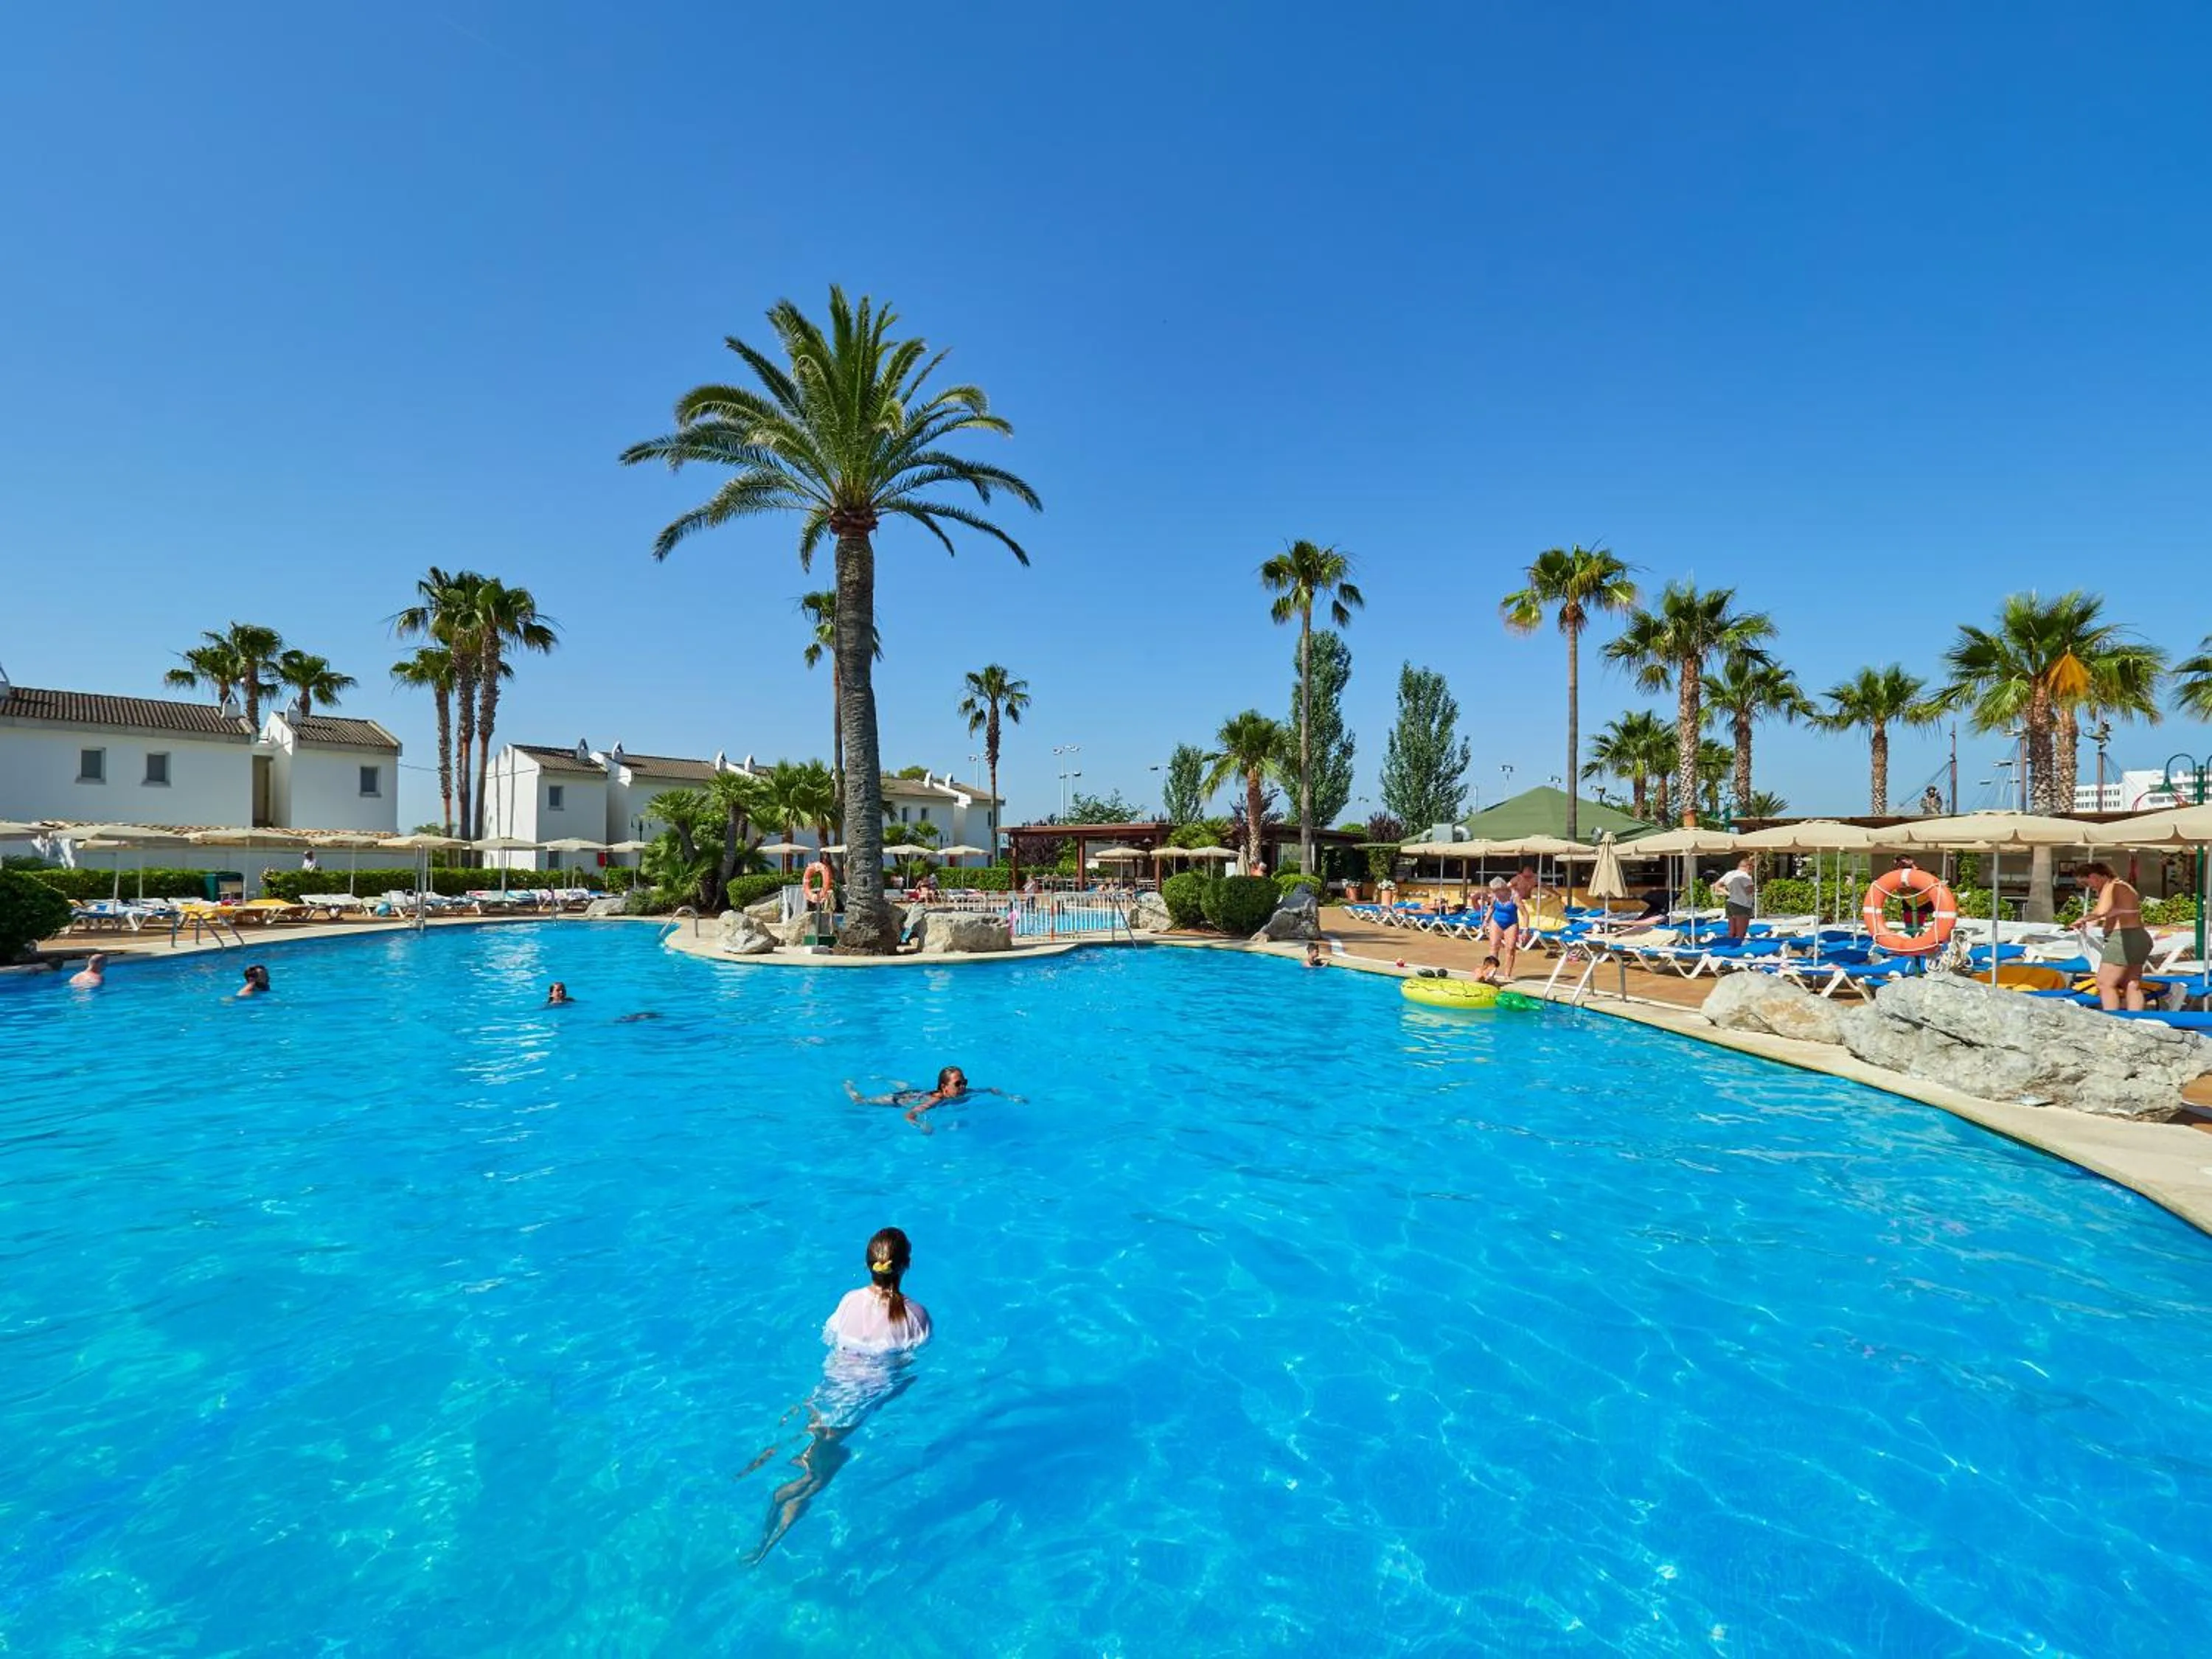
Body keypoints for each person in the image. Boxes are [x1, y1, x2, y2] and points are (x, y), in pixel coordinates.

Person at [750, 1227, 931, 1564]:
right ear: (907, 1265)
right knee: (818, 1477)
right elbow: (907, 1369)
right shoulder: (916, 1317)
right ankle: (773, 1525)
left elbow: (828, 1339)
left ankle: (785, 1484)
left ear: (868, 1265)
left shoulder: (848, 1301)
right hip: (854, 1408)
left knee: (814, 1449)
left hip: (824, 1394)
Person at [2075, 862, 2152, 1012]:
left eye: (2086, 883)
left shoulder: (2112, 886)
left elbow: (2100, 911)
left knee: (2105, 983)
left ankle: (2112, 1021)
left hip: (2124, 938)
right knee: (2132, 983)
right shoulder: (2123, 886)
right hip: (2139, 937)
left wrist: (2081, 920)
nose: (2088, 888)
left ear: (2094, 876)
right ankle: (2136, 1020)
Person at [846, 1065, 1021, 1127]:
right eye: (958, 1084)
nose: (963, 1087)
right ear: (945, 1087)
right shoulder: (937, 1100)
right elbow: (909, 1114)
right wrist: (922, 1125)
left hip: (918, 1093)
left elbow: (992, 1089)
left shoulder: (965, 1092)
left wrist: (1010, 1097)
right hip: (901, 1100)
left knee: (910, 1087)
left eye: (964, 1082)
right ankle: (849, 1086)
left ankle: (884, 1078)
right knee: (860, 1102)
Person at [1484, 876, 1521, 980]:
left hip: (1511, 923)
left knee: (1510, 949)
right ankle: (1491, 973)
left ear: (1503, 888)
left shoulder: (1514, 896)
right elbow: (1491, 908)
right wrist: (1485, 921)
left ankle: (1507, 975)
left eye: (1496, 890)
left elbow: (1525, 913)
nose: (1495, 892)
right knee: (1494, 946)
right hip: (1496, 922)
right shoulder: (1495, 896)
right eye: (1494, 891)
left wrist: (1526, 929)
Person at [1717, 853, 1756, 942]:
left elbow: (1717, 886)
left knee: (1732, 932)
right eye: (1752, 868)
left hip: (1730, 902)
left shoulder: (1730, 874)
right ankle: (1738, 951)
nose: (1752, 871)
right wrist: (1753, 888)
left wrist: (1729, 893)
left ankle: (1730, 949)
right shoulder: (1745, 876)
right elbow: (1748, 891)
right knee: (1740, 933)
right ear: (1748, 867)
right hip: (1742, 905)